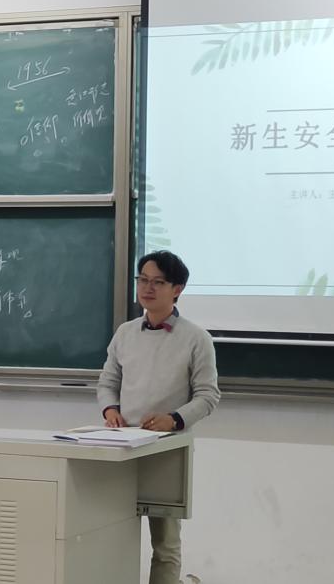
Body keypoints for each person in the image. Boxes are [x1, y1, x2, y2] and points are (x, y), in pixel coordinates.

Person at [97, 250, 220, 584]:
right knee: (108, 531)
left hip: (166, 449)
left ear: (177, 289)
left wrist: (174, 419)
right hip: (121, 448)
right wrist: (110, 409)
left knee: (164, 543)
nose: (147, 288)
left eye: (158, 282)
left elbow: (208, 395)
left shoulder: (196, 338)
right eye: (142, 280)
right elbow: (108, 382)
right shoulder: (125, 333)